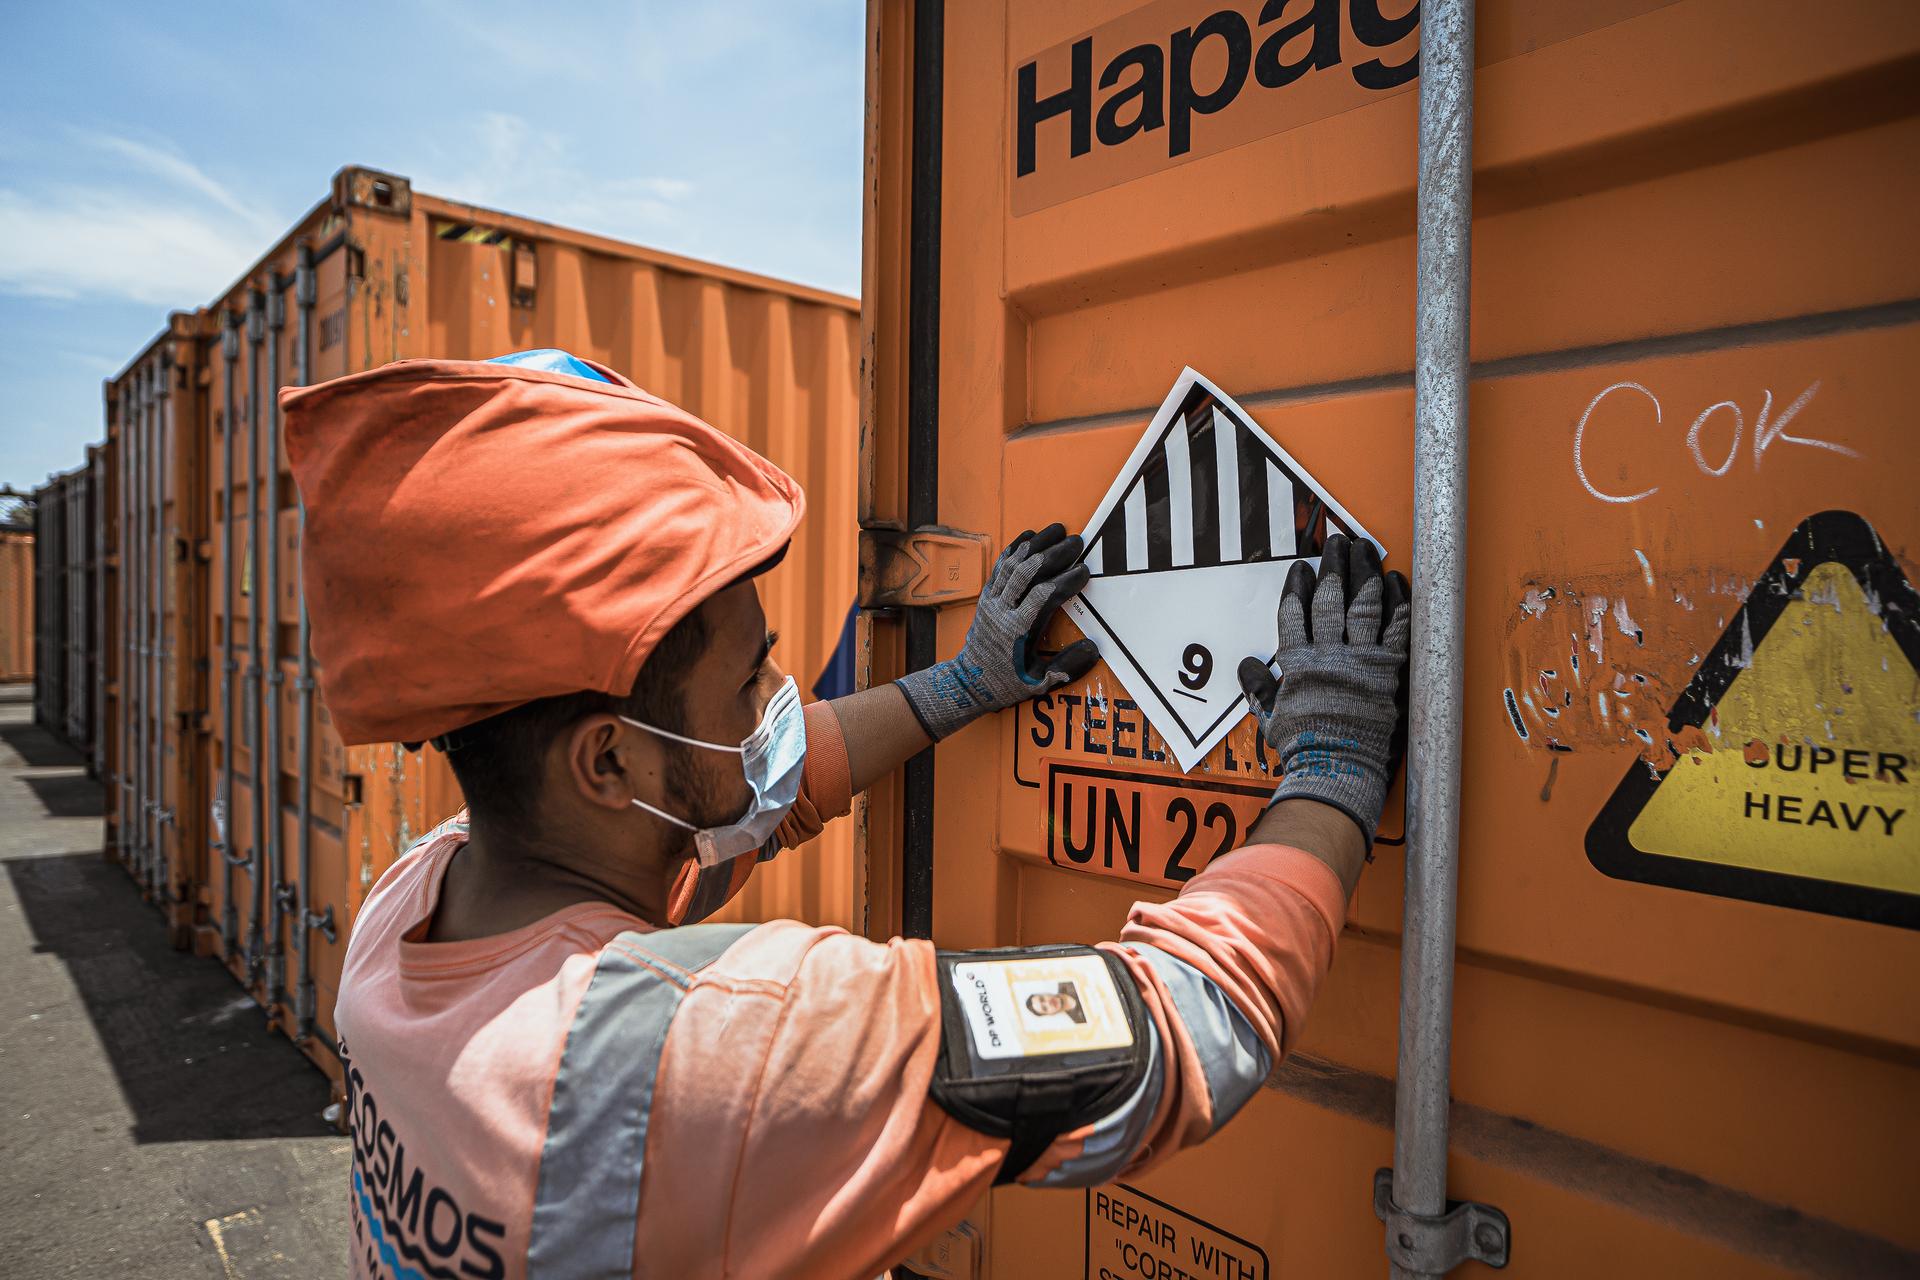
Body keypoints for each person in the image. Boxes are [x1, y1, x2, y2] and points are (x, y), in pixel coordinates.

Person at [284, 350, 1410, 1280]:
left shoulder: (415, 905)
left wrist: (958, 686)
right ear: (606, 758)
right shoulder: (707, 1053)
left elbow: (750, 802)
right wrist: (1332, 764)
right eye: (745, 686)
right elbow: (1185, 1027)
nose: (776, 701)